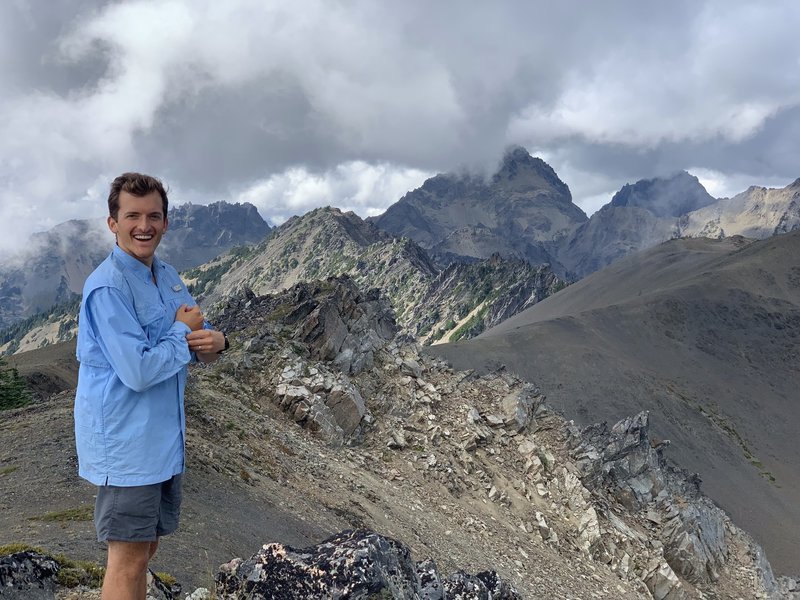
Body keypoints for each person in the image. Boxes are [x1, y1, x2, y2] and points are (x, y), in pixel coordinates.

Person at [74, 172, 228, 600]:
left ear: (165, 222)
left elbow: (196, 333)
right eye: (133, 216)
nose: (144, 226)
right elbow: (138, 370)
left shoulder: (167, 274)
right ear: (113, 223)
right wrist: (184, 334)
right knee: (127, 559)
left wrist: (216, 342)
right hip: (127, 445)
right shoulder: (108, 287)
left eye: (154, 216)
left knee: (147, 549)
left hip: (160, 442)